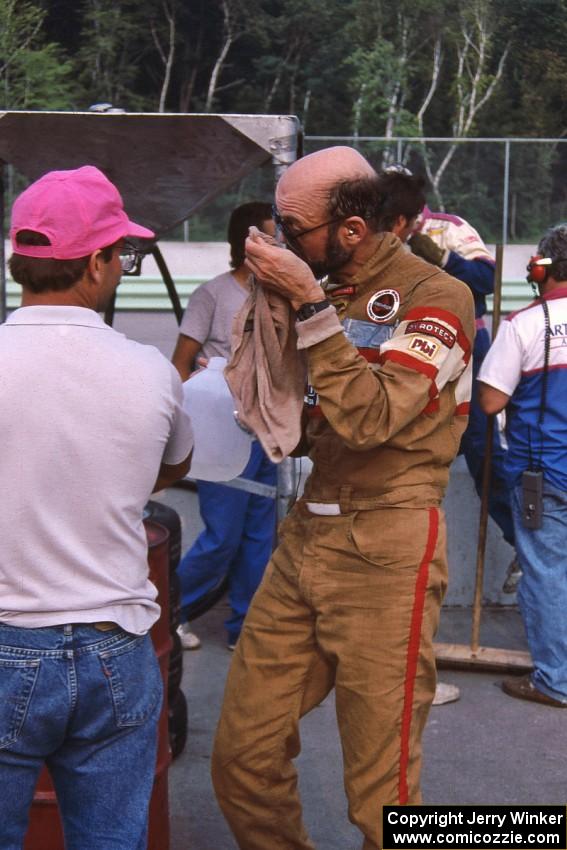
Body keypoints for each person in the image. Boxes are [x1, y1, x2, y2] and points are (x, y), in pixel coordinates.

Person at [211, 146, 475, 850]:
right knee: (241, 759)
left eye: (290, 229)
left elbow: (370, 419)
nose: (278, 241)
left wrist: (306, 301)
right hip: (308, 535)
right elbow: (313, 425)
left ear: (351, 229)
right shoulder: (326, 289)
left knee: (383, 800)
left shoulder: (436, 296)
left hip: (386, 546)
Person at [0, 165, 194, 849]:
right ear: (97, 263)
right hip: (115, 644)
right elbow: (173, 465)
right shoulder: (148, 371)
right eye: (121, 252)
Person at [379, 166, 518, 591]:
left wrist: (443, 259)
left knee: (483, 450)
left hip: (466, 349)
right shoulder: (378, 232)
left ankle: (523, 543)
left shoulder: (450, 228)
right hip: (407, 353)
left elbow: (487, 279)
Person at [172, 202, 278, 651]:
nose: (278, 247)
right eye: (270, 238)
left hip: (270, 432)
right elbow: (180, 364)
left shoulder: (282, 294)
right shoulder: (212, 294)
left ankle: (244, 630)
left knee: (261, 537)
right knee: (222, 538)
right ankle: (167, 613)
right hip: (223, 430)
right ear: (246, 242)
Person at [478, 224, 567, 709]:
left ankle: (556, 680)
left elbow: (490, 401)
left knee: (548, 575)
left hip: (544, 474)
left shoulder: (526, 323)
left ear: (542, 268)